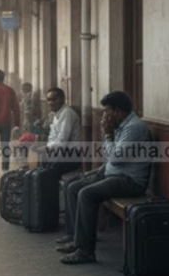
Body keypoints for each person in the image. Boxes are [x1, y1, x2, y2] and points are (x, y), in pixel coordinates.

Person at [58, 91, 152, 265]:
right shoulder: (122, 124)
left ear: (118, 111)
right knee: (72, 185)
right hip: (114, 174)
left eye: (108, 111)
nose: (105, 115)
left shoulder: (134, 128)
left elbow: (115, 158)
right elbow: (111, 159)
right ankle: (76, 237)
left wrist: (107, 135)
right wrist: (96, 171)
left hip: (130, 180)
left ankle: (85, 251)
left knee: (86, 194)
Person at [34, 87, 82, 180]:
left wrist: (47, 149)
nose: (51, 102)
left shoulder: (67, 113)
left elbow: (62, 140)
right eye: (48, 100)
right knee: (41, 167)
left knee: (50, 170)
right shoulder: (56, 113)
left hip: (72, 155)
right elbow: (52, 137)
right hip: (60, 152)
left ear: (62, 99)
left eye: (54, 99)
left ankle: (51, 187)